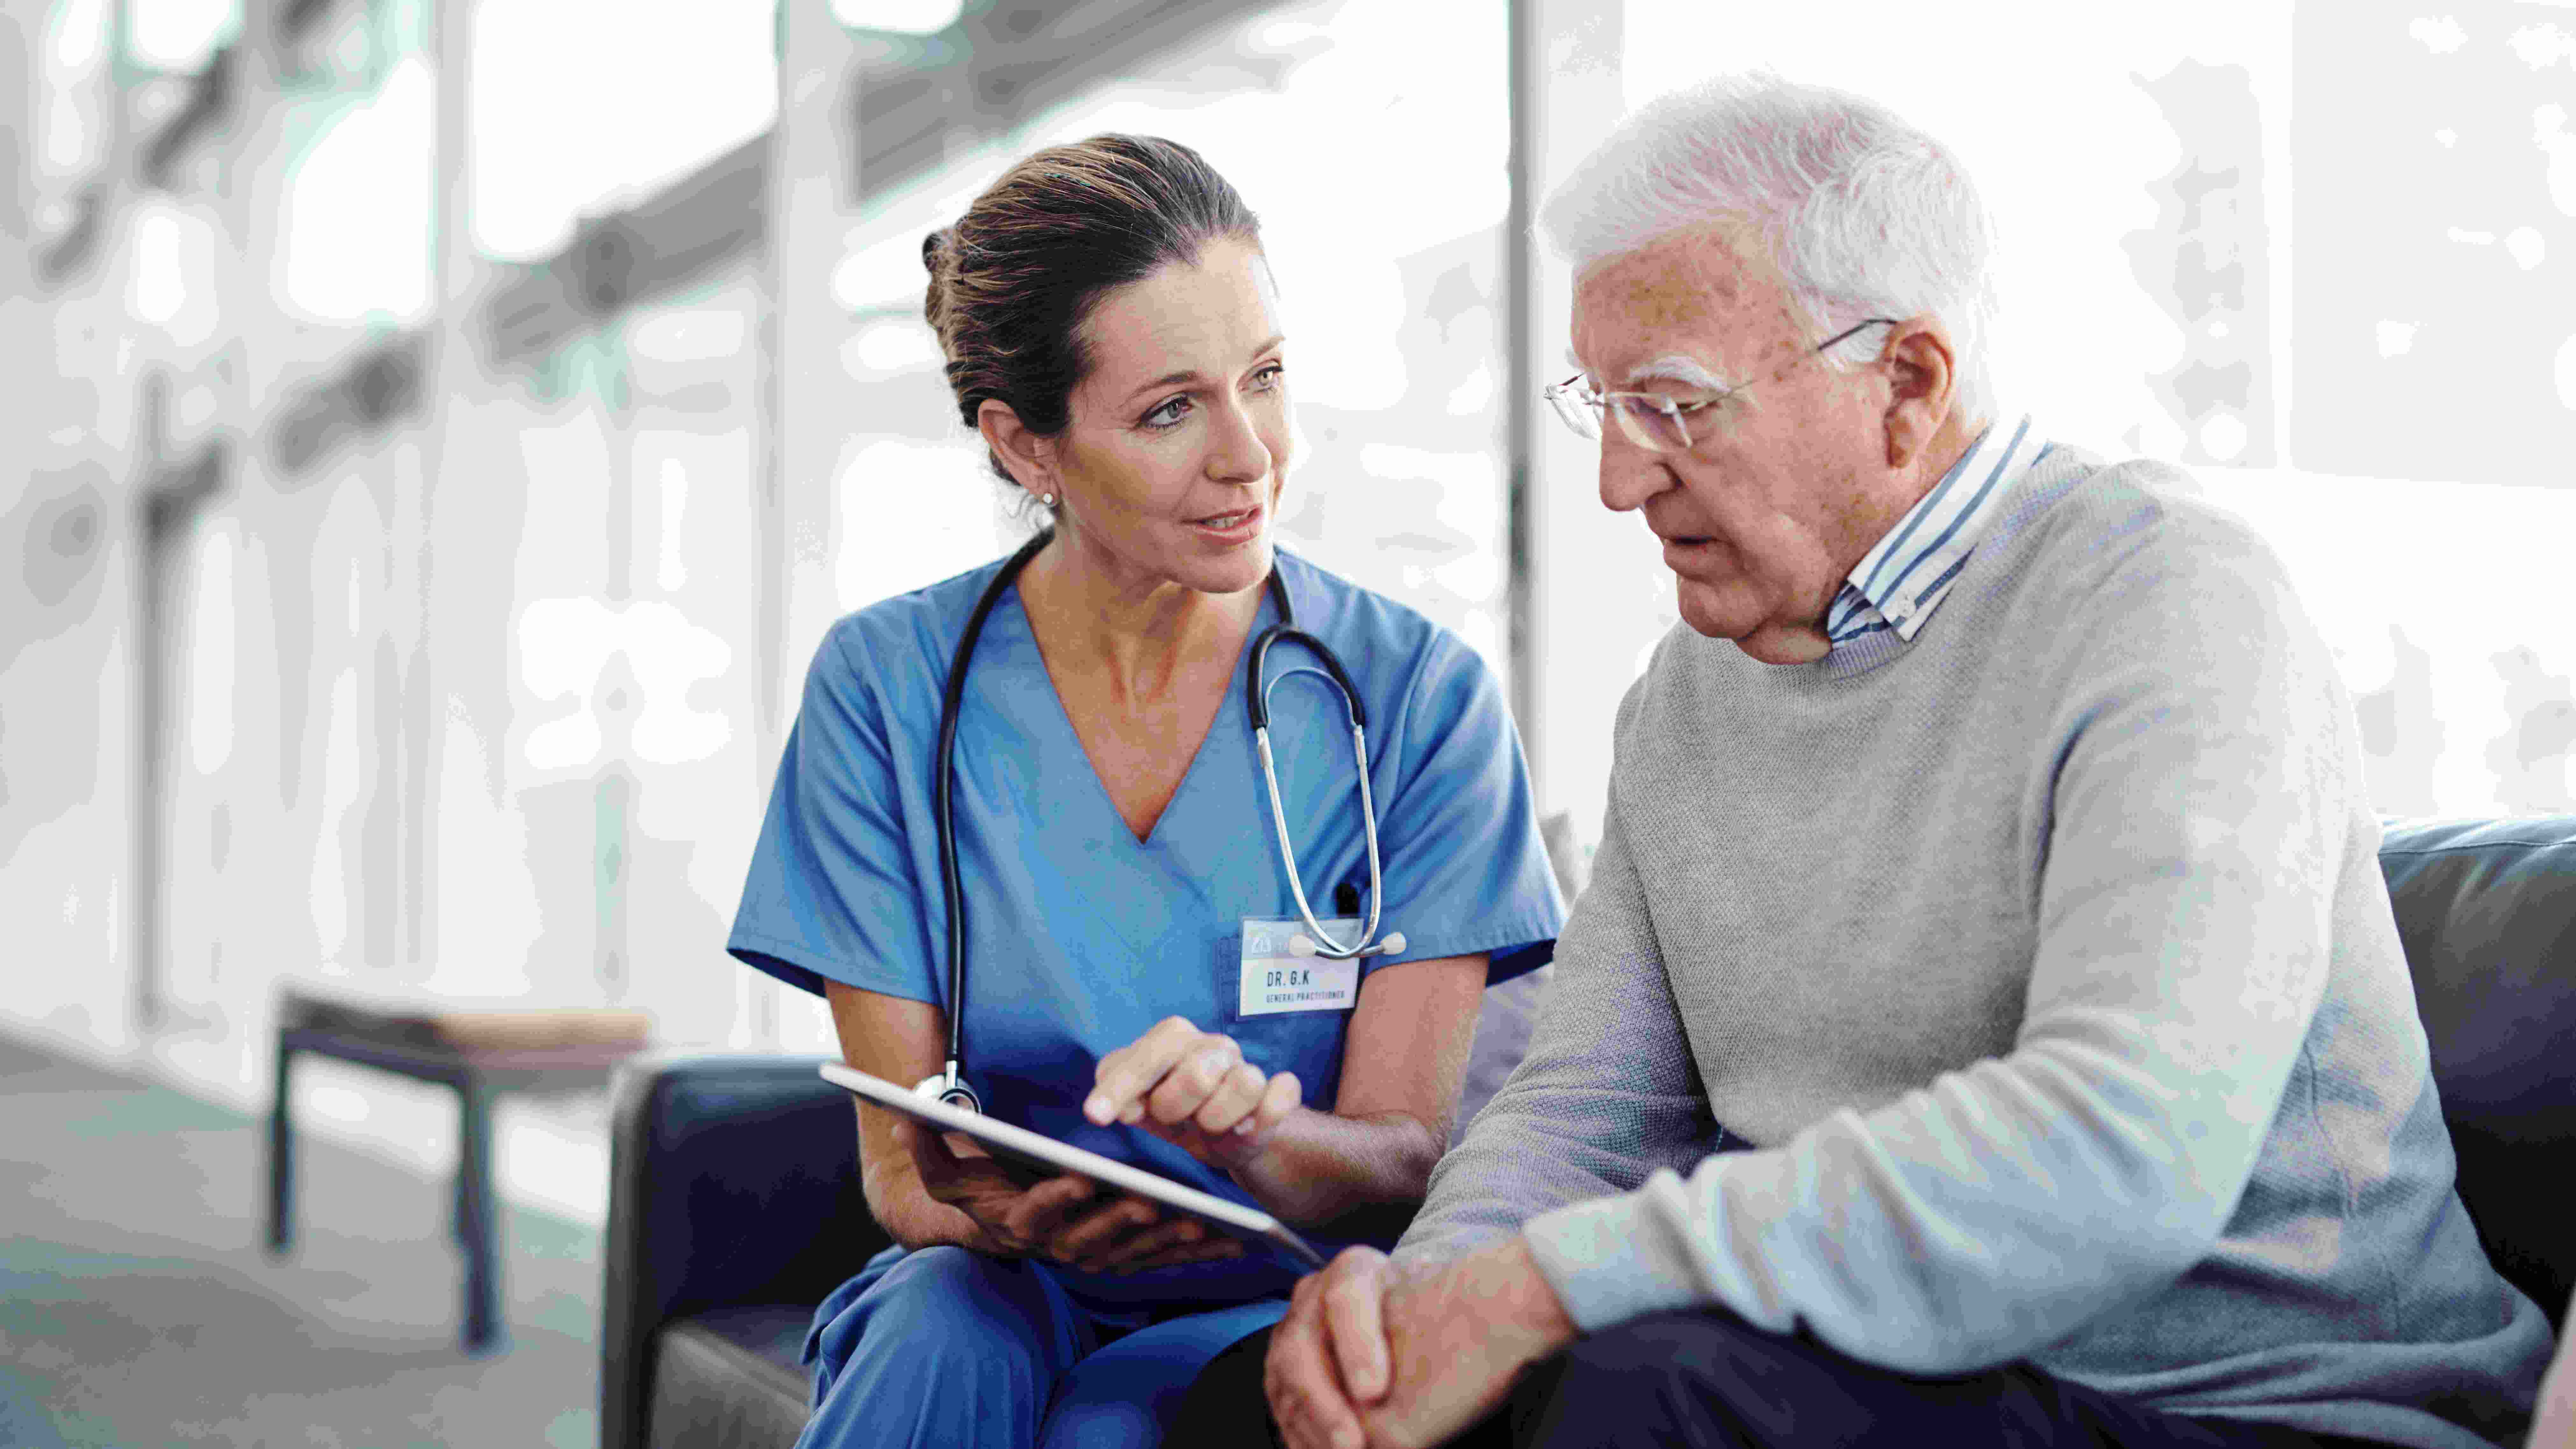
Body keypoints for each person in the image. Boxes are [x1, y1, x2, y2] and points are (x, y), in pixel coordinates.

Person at [1178, 72, 2554, 1449]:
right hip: (1891, 1379)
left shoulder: (2169, 601)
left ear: (1905, 382)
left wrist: (1545, 1284)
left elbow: (2127, 1150)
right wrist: (1415, 1324)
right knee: (1261, 1412)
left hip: (2262, 1408)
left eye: (1670, 404)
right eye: (1598, 403)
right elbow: (1587, 1114)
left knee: (1642, 1396)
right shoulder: (1685, 697)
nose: (1615, 479)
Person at [725, 133, 1565, 1449]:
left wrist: (1256, 1141)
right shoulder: (888, 687)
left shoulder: (1416, 698)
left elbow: (1404, 1156)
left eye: (1266, 378)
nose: (1251, 455)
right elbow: (899, 1170)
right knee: (937, 1333)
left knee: (1118, 1427)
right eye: (1171, 409)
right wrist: (992, 1210)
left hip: (1274, 1284)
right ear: (1024, 445)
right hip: (999, 1274)